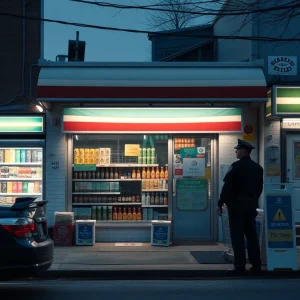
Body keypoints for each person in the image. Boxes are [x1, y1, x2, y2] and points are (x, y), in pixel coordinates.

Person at [218, 139, 263, 275]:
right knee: (252, 236)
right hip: (250, 206)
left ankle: (240, 266)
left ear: (243, 151)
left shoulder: (235, 166)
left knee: (237, 237)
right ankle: (256, 265)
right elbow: (259, 189)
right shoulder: (257, 168)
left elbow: (227, 186)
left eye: (237, 150)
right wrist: (253, 200)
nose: (236, 152)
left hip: (236, 207)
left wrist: (221, 202)